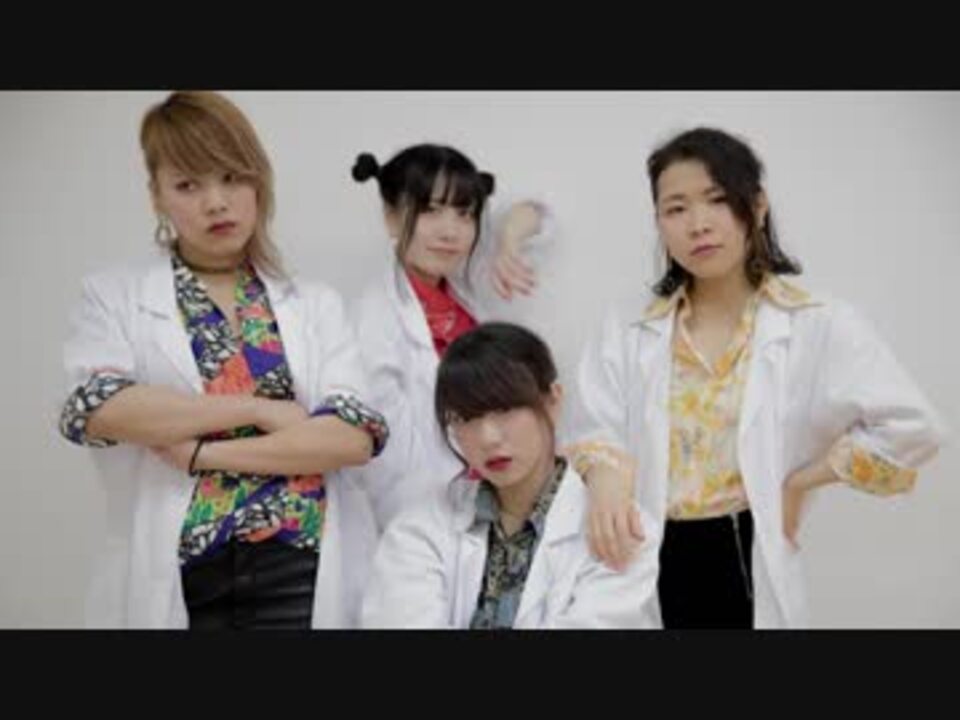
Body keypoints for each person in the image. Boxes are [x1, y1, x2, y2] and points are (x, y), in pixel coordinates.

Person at [58, 91, 388, 629]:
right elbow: (99, 411)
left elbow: (351, 439)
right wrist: (258, 409)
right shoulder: (114, 296)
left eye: (232, 178)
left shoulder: (315, 304)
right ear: (156, 196)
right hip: (186, 570)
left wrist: (201, 455)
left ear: (259, 182)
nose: (216, 202)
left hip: (300, 567)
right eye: (188, 185)